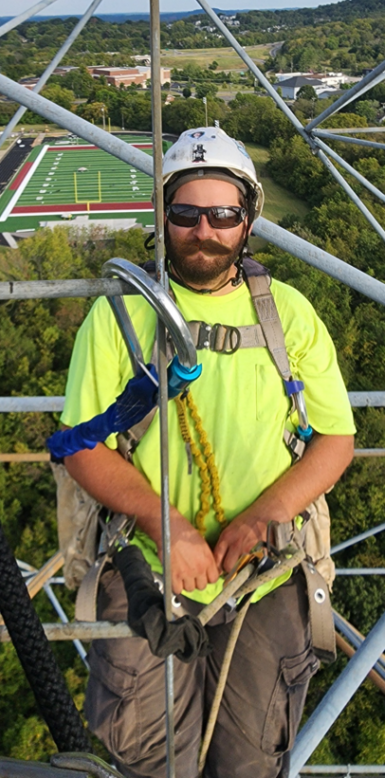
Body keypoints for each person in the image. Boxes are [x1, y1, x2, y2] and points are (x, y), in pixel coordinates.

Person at [57, 127, 355, 778]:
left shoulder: (290, 317)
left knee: (248, 761)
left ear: (248, 222)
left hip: (264, 573)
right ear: (163, 219)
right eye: (186, 214)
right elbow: (82, 445)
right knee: (149, 763)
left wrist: (261, 518)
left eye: (223, 215)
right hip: (148, 571)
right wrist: (165, 525)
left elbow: (335, 438)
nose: (204, 230)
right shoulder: (120, 318)